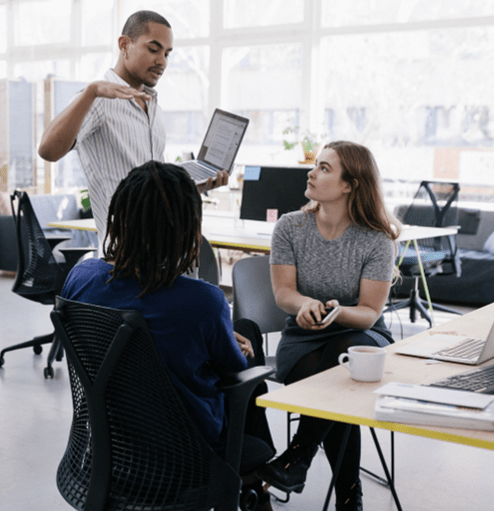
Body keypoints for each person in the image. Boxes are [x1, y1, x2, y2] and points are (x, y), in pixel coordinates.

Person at [61, 160, 275, 510]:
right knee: (249, 363)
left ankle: (255, 485)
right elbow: (235, 372)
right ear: (188, 229)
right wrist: (221, 337)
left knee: (238, 334)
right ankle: (255, 485)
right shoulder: (202, 301)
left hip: (108, 450)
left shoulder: (81, 277)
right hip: (185, 459)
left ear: (119, 217)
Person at [257, 140, 401, 511]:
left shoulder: (377, 239)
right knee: (340, 380)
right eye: (316, 165)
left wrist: (339, 310)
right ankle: (349, 496)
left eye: (324, 168)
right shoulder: (291, 227)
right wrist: (304, 304)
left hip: (362, 335)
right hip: (303, 339)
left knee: (348, 353)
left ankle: (300, 454)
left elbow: (369, 312)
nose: (311, 172)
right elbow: (283, 293)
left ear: (349, 184)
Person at [38, 10, 227, 248]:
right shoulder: (98, 100)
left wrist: (189, 187)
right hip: (124, 255)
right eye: (153, 49)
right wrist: (91, 91)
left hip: (163, 245)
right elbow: (48, 150)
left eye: (167, 54)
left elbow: (155, 188)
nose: (162, 62)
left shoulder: (153, 107)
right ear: (124, 45)